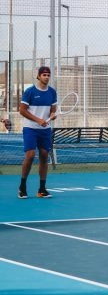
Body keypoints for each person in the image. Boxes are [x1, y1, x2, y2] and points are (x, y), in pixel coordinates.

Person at [18, 66, 57, 199]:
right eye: (44, 75)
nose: (46, 77)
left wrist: (52, 115)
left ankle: (41, 189)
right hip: (30, 128)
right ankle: (22, 187)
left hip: (45, 130)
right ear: (38, 76)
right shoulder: (30, 92)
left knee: (44, 155)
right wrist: (38, 120)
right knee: (30, 155)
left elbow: (53, 110)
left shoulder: (52, 92)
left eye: (48, 75)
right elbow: (22, 110)